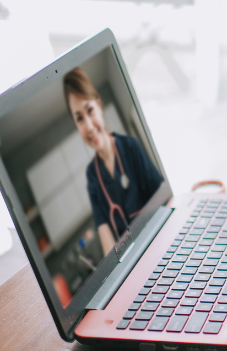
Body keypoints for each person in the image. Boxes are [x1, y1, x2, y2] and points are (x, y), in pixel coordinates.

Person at [63, 68, 163, 255]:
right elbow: (107, 240)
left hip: (158, 242)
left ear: (99, 106)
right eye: (79, 119)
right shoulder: (92, 176)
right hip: (130, 260)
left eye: (90, 110)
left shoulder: (130, 147)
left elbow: (164, 199)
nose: (89, 126)